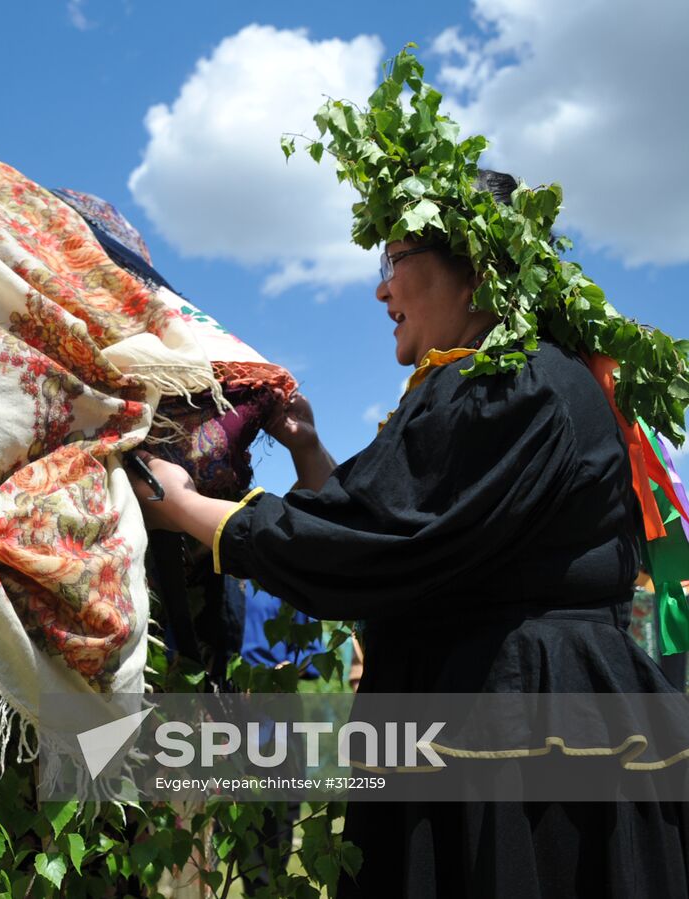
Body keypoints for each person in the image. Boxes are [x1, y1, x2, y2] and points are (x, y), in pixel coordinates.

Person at [129, 168, 689, 895]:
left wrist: (179, 504)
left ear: (478, 272)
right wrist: (306, 449)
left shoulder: (504, 384)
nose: (381, 288)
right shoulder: (517, 381)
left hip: (519, 725)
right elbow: (395, 526)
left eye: (395, 260)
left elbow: (372, 543)